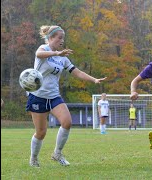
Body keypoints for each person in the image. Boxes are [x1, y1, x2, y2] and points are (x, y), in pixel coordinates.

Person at [26, 25, 107, 167]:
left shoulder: (63, 58)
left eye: (63, 38)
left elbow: (77, 72)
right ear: (50, 38)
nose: (62, 40)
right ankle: (33, 159)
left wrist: (94, 79)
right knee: (41, 132)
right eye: (59, 37)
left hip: (54, 96)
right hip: (37, 96)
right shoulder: (44, 49)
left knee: (67, 122)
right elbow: (38, 54)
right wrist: (56, 54)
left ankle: (57, 153)